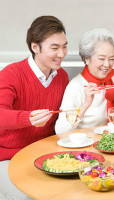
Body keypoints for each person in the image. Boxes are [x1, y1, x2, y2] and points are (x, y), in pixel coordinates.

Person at [0, 16, 69, 199]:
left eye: (64, 46)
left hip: (44, 154)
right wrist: (26, 118)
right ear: (35, 47)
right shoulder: (11, 74)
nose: (62, 53)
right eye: (54, 48)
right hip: (9, 157)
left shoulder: (62, 77)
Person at [55, 28, 114, 134]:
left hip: (111, 142)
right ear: (87, 58)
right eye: (101, 58)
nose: (107, 64)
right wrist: (86, 104)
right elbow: (60, 131)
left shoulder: (113, 77)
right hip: (86, 145)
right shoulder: (76, 86)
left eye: (111, 59)